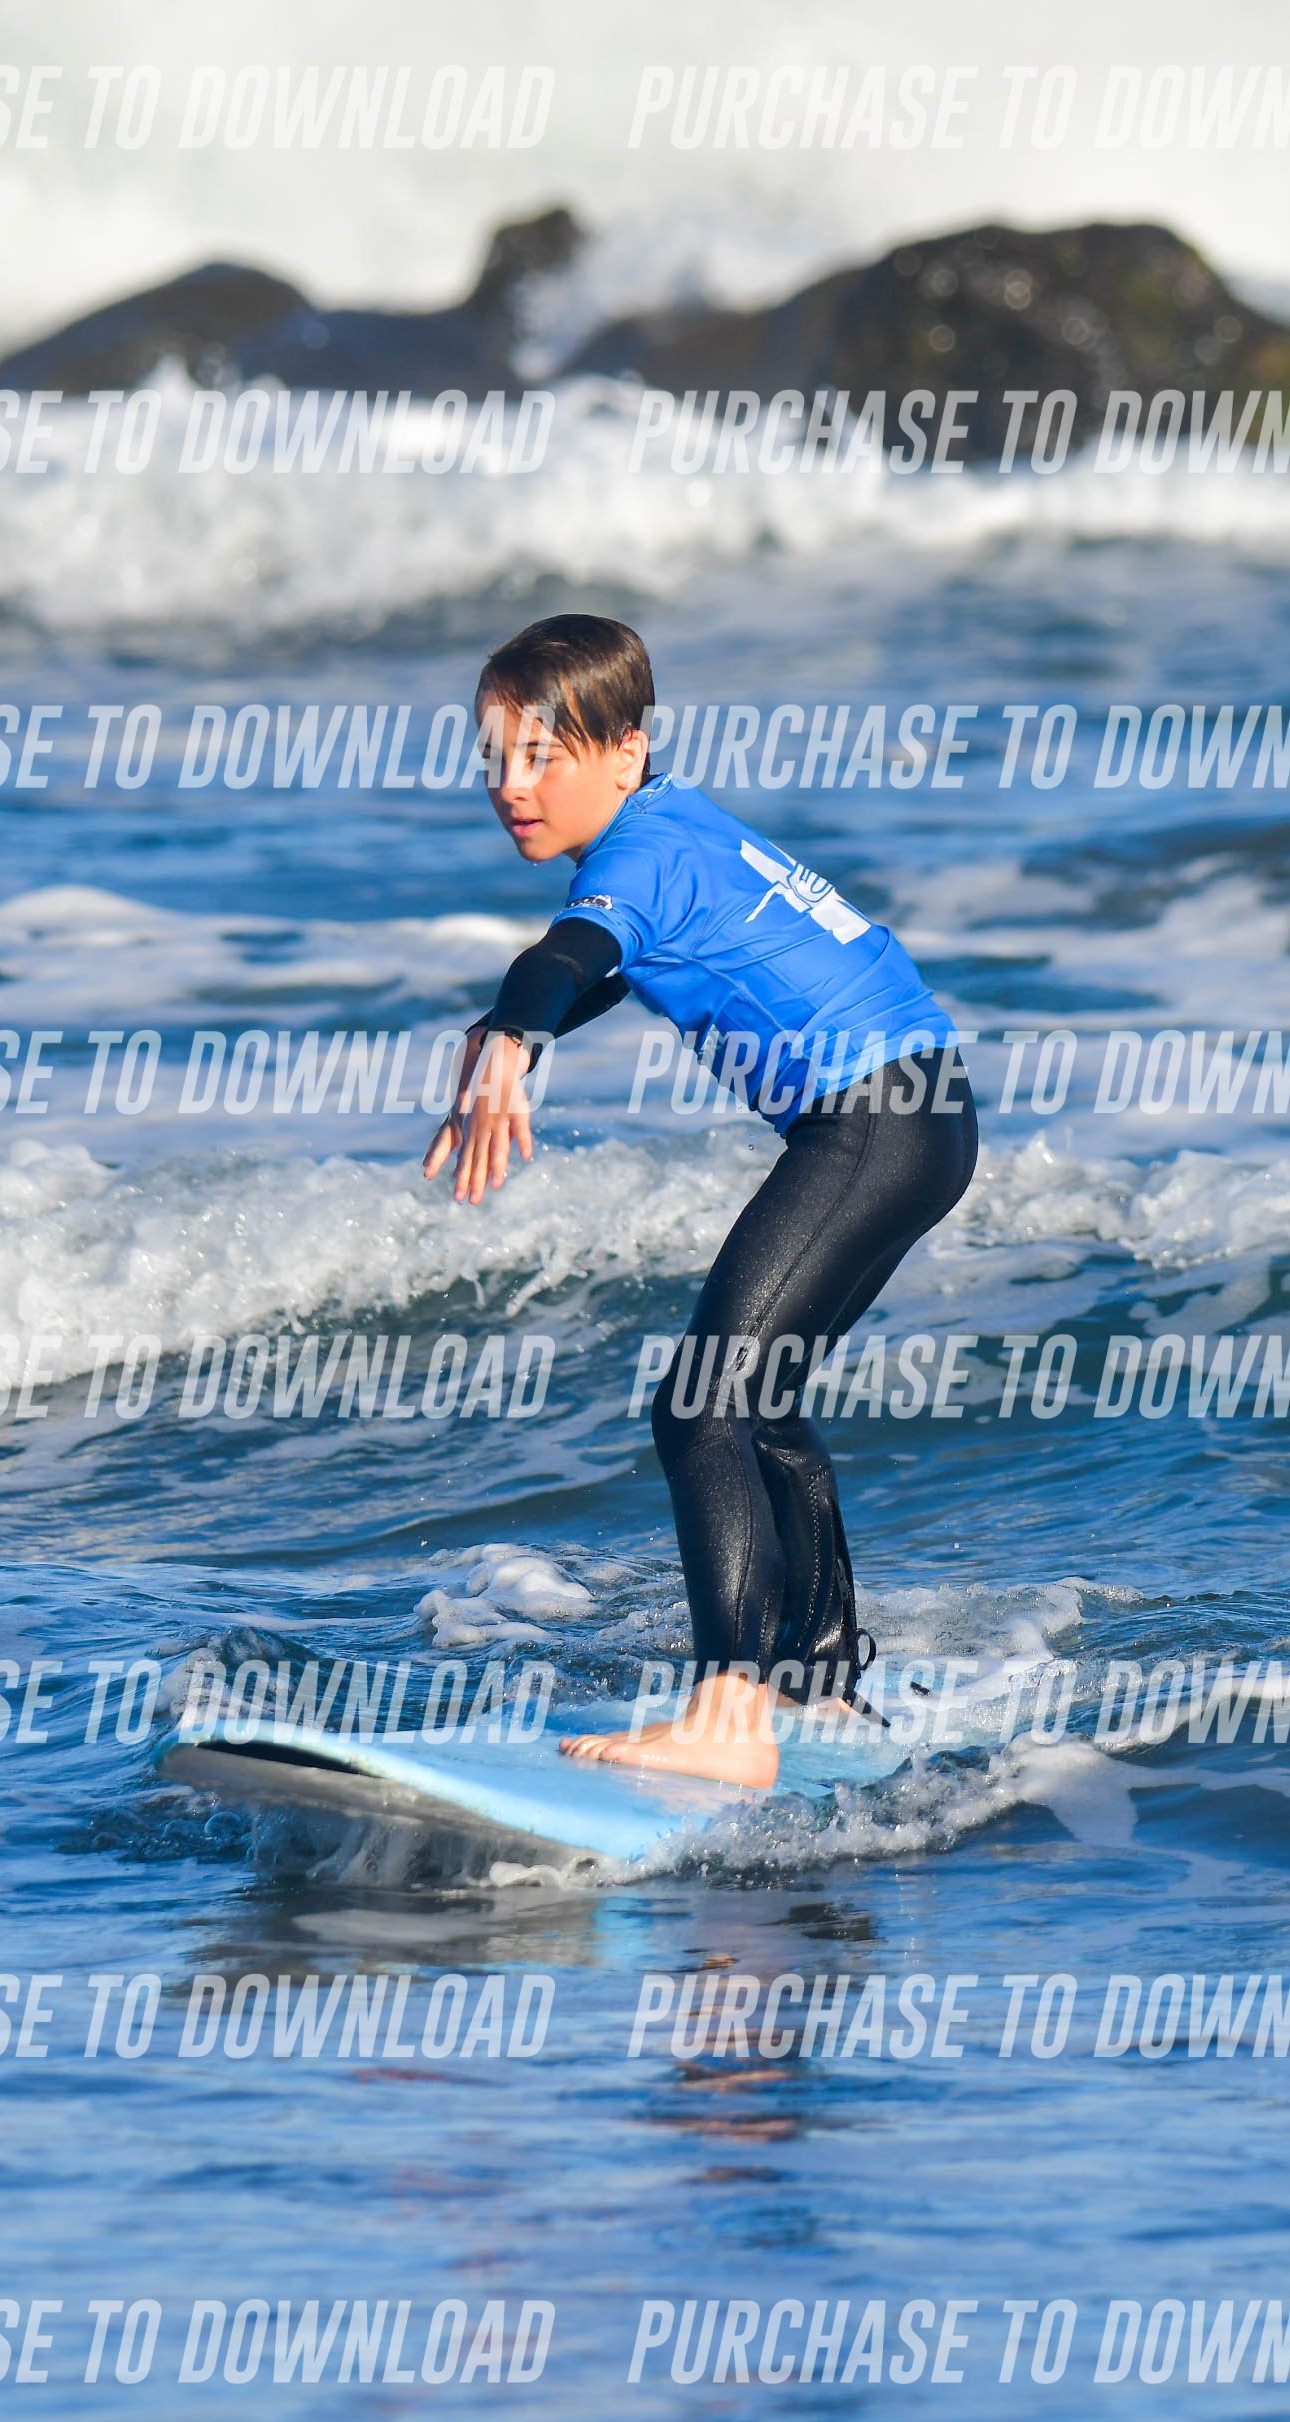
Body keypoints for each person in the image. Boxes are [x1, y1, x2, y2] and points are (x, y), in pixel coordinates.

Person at [425, 614, 976, 1788]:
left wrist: (516, 1028)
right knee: (757, 1402)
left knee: (701, 1405)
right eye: (494, 757)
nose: (510, 786)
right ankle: (816, 1676)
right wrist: (510, 1033)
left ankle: (728, 1716)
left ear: (624, 750)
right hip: (921, 1115)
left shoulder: (632, 861)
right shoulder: (673, 826)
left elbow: (564, 960)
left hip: (871, 1119)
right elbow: (608, 964)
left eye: (541, 756)